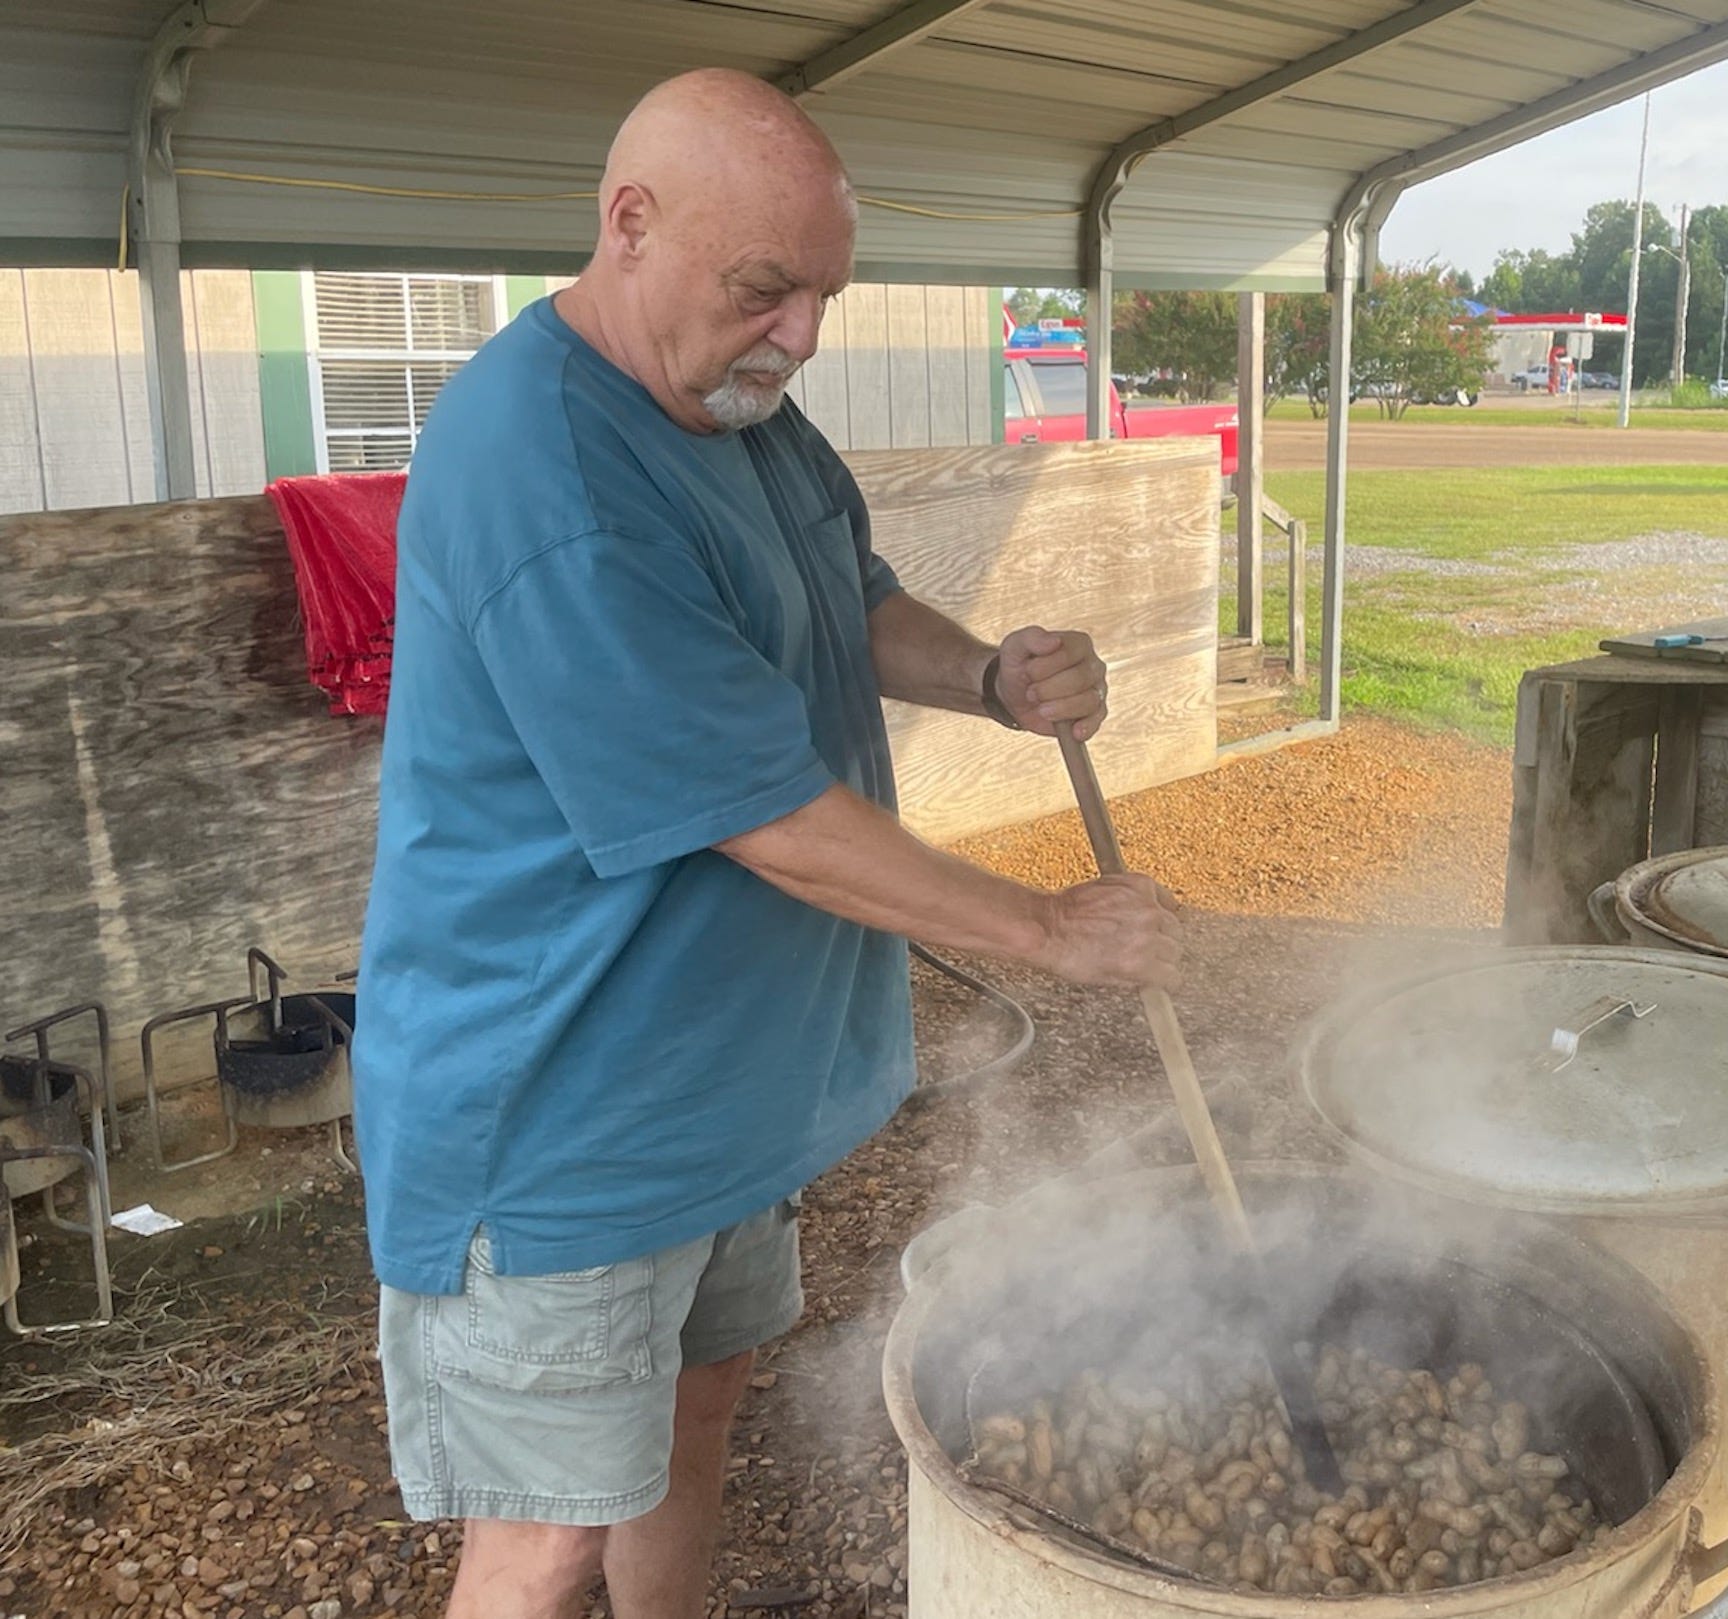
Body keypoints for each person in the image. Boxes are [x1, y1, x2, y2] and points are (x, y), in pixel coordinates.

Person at [352, 68, 1183, 1619]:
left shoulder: (741, 410)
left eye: (822, 294)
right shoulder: (551, 467)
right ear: (630, 227)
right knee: (543, 1537)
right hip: (557, 1126)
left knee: (699, 1402)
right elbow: (771, 823)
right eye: (764, 290)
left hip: (711, 1101)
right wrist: (1047, 932)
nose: (800, 334)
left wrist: (992, 679)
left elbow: (848, 598)